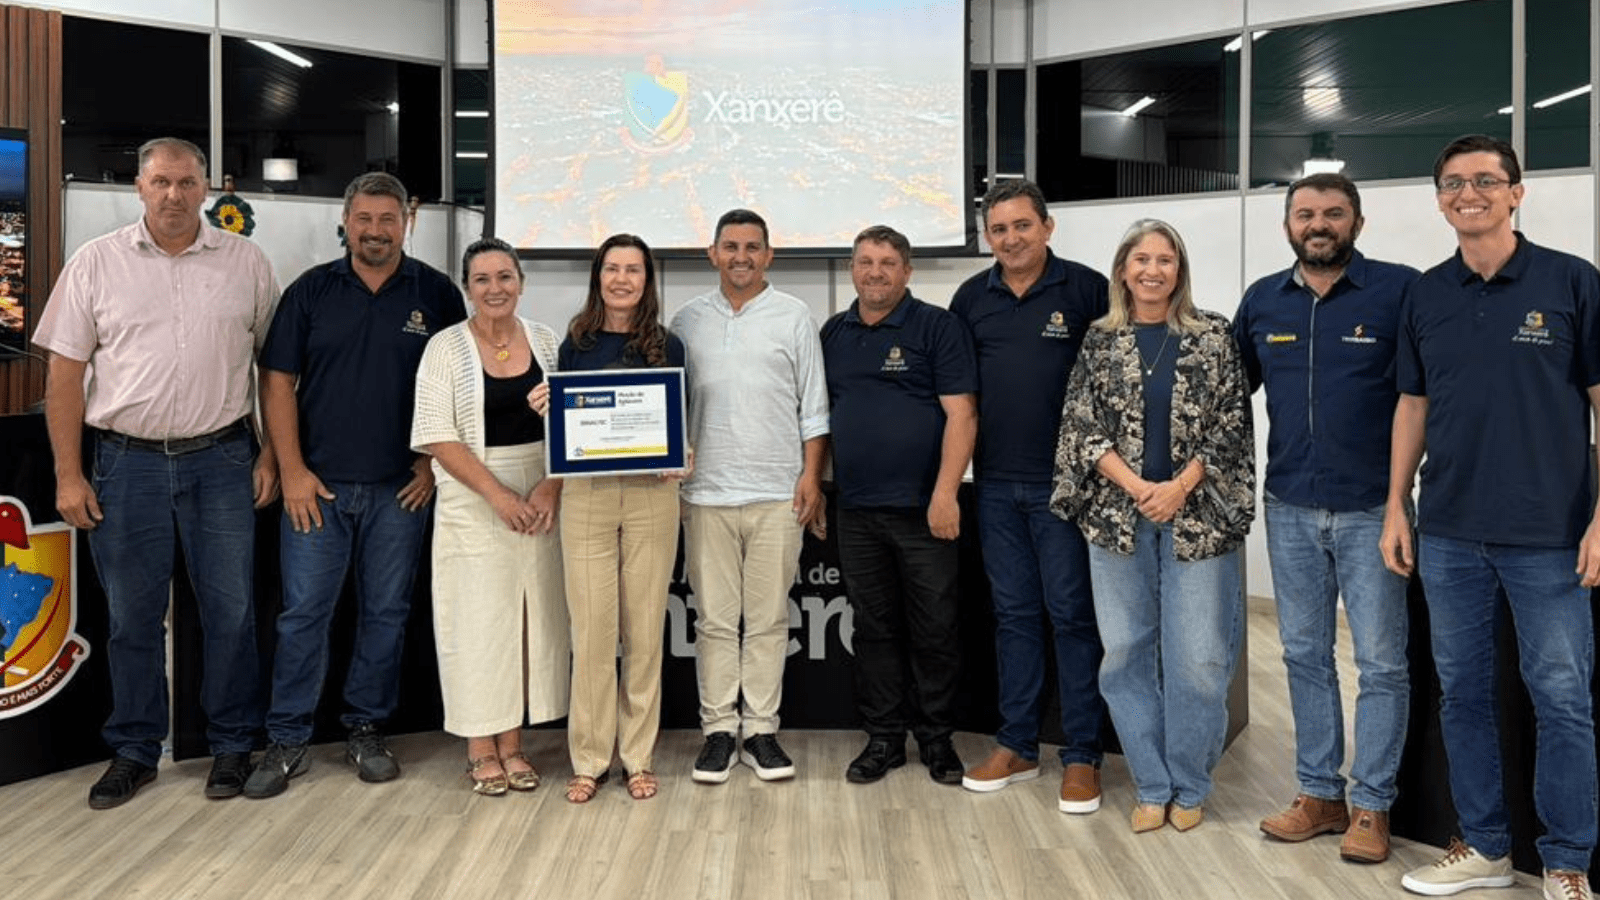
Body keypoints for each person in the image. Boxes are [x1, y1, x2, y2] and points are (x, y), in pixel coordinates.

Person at [1382, 135, 1599, 900]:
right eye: (1452, 183)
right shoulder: (1426, 294)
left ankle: (1568, 863)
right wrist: (1395, 507)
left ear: (1516, 192)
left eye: (1484, 181)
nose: (1467, 194)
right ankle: (1484, 848)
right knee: (1463, 694)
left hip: (1550, 536)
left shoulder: (1573, 281)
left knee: (1562, 699)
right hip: (1447, 533)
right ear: (1438, 198)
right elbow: (1413, 404)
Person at [34, 137, 279, 808]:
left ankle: (231, 747)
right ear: (139, 188)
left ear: (207, 189)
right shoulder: (95, 263)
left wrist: (270, 453)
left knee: (231, 614)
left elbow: (275, 370)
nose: (174, 194)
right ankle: (136, 751)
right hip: (126, 464)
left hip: (224, 460)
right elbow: (63, 373)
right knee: (132, 619)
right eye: (161, 182)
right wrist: (68, 475)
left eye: (186, 182)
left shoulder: (247, 263)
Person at [244, 173, 465, 799]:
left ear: (407, 221)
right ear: (347, 221)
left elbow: (457, 385)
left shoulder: (439, 293)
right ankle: (287, 738)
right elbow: (277, 382)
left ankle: (365, 727)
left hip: (403, 490)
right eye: (364, 219)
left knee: (386, 614)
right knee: (304, 615)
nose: (375, 231)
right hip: (317, 492)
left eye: (387, 219)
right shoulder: (312, 291)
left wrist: (430, 465)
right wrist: (292, 470)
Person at [1233, 173, 1418, 863]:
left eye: (1333, 214)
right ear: (1288, 227)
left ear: (1357, 224)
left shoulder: (1399, 292)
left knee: (1380, 663)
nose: (1319, 224)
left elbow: (1425, 394)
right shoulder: (1262, 302)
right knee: (1305, 656)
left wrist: (1402, 500)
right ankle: (1319, 795)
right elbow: (1224, 395)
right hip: (1289, 507)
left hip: (1376, 507)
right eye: (1305, 214)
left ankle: (1372, 804)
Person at [1051, 218, 1254, 833]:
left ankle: (1191, 785)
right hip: (1118, 520)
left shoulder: (1213, 336)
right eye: (1141, 259)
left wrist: (1179, 486)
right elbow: (1080, 426)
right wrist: (1139, 487)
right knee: (1126, 655)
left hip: (1198, 521)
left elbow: (1231, 424)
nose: (1152, 270)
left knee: (1198, 658)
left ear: (1179, 271)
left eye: (1165, 260)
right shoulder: (1099, 339)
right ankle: (1152, 782)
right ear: (1122, 270)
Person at [949, 179, 1109, 813]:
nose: (1010, 239)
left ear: (1047, 227)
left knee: (1072, 617)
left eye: (1021, 226)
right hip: (993, 487)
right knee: (1013, 616)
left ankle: (1081, 754)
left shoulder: (1089, 289)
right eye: (998, 230)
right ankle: (1017, 744)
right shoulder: (970, 299)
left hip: (1066, 488)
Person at [671, 208, 829, 783]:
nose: (741, 256)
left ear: (769, 255)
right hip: (705, 494)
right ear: (712, 253)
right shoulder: (686, 321)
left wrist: (811, 478)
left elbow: (814, 408)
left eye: (752, 247)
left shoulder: (794, 317)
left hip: (776, 495)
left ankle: (760, 730)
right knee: (713, 621)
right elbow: (671, 409)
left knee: (765, 621)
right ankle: (718, 731)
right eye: (730, 246)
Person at [411, 237, 569, 796]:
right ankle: (482, 747)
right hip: (474, 495)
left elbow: (574, 427)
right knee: (479, 624)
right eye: (482, 279)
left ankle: (515, 745)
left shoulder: (548, 342)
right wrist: (500, 497)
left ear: (521, 282)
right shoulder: (445, 348)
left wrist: (548, 488)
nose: (495, 288)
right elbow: (435, 436)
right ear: (467, 287)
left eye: (505, 277)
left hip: (544, 493)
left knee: (531, 623)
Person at [533, 234, 686, 803]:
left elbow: (678, 421)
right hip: (588, 496)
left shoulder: (670, 344)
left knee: (644, 632)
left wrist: (680, 454)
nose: (622, 279)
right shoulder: (573, 343)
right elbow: (568, 426)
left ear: (648, 280)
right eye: (613, 269)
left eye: (634, 270)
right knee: (592, 633)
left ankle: (638, 757)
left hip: (652, 496)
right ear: (598, 276)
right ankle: (591, 758)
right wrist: (548, 408)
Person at [820, 225, 976, 785]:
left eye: (888, 263)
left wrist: (944, 494)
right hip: (857, 511)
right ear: (852, 270)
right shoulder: (833, 333)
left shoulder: (937, 327)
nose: (875, 272)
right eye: (865, 262)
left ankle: (936, 739)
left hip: (923, 511)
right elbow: (817, 418)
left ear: (907, 271)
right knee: (874, 629)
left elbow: (963, 415)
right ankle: (884, 738)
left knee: (935, 628)